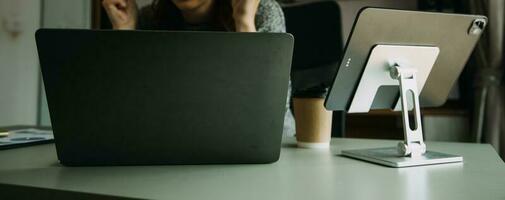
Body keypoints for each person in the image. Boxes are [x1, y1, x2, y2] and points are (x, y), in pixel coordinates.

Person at [101, 0, 297, 135]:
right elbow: (128, 112)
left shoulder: (260, 12)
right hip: (178, 155)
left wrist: (244, 23)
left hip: (271, 154)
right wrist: (125, 32)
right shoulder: (148, 19)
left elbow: (267, 112)